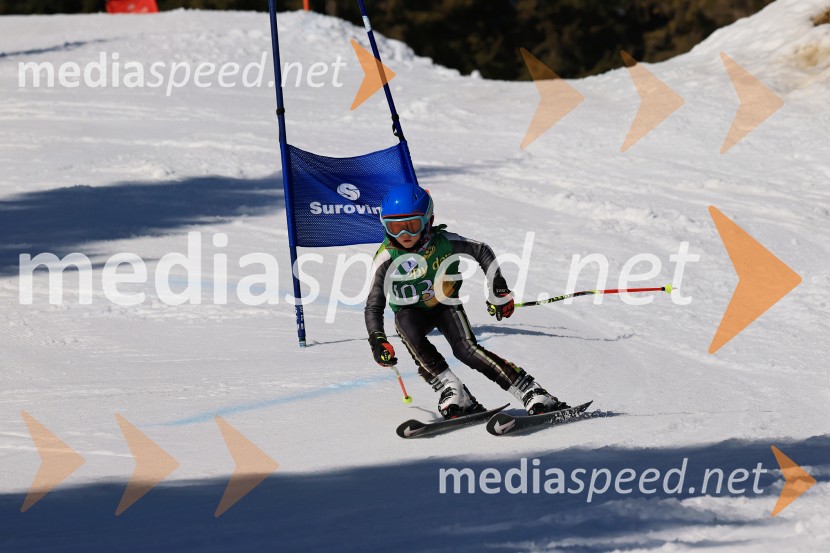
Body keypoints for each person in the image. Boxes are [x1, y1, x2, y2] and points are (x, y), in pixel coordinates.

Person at [364, 183, 571, 419]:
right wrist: (377, 340)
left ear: (428, 221)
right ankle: (452, 390)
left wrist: (498, 289)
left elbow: (482, 251)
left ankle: (530, 390)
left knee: (466, 350)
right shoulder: (386, 257)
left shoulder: (444, 242)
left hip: (444, 304)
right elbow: (374, 305)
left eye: (411, 226)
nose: (404, 236)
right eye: (395, 227)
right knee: (405, 326)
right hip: (411, 311)